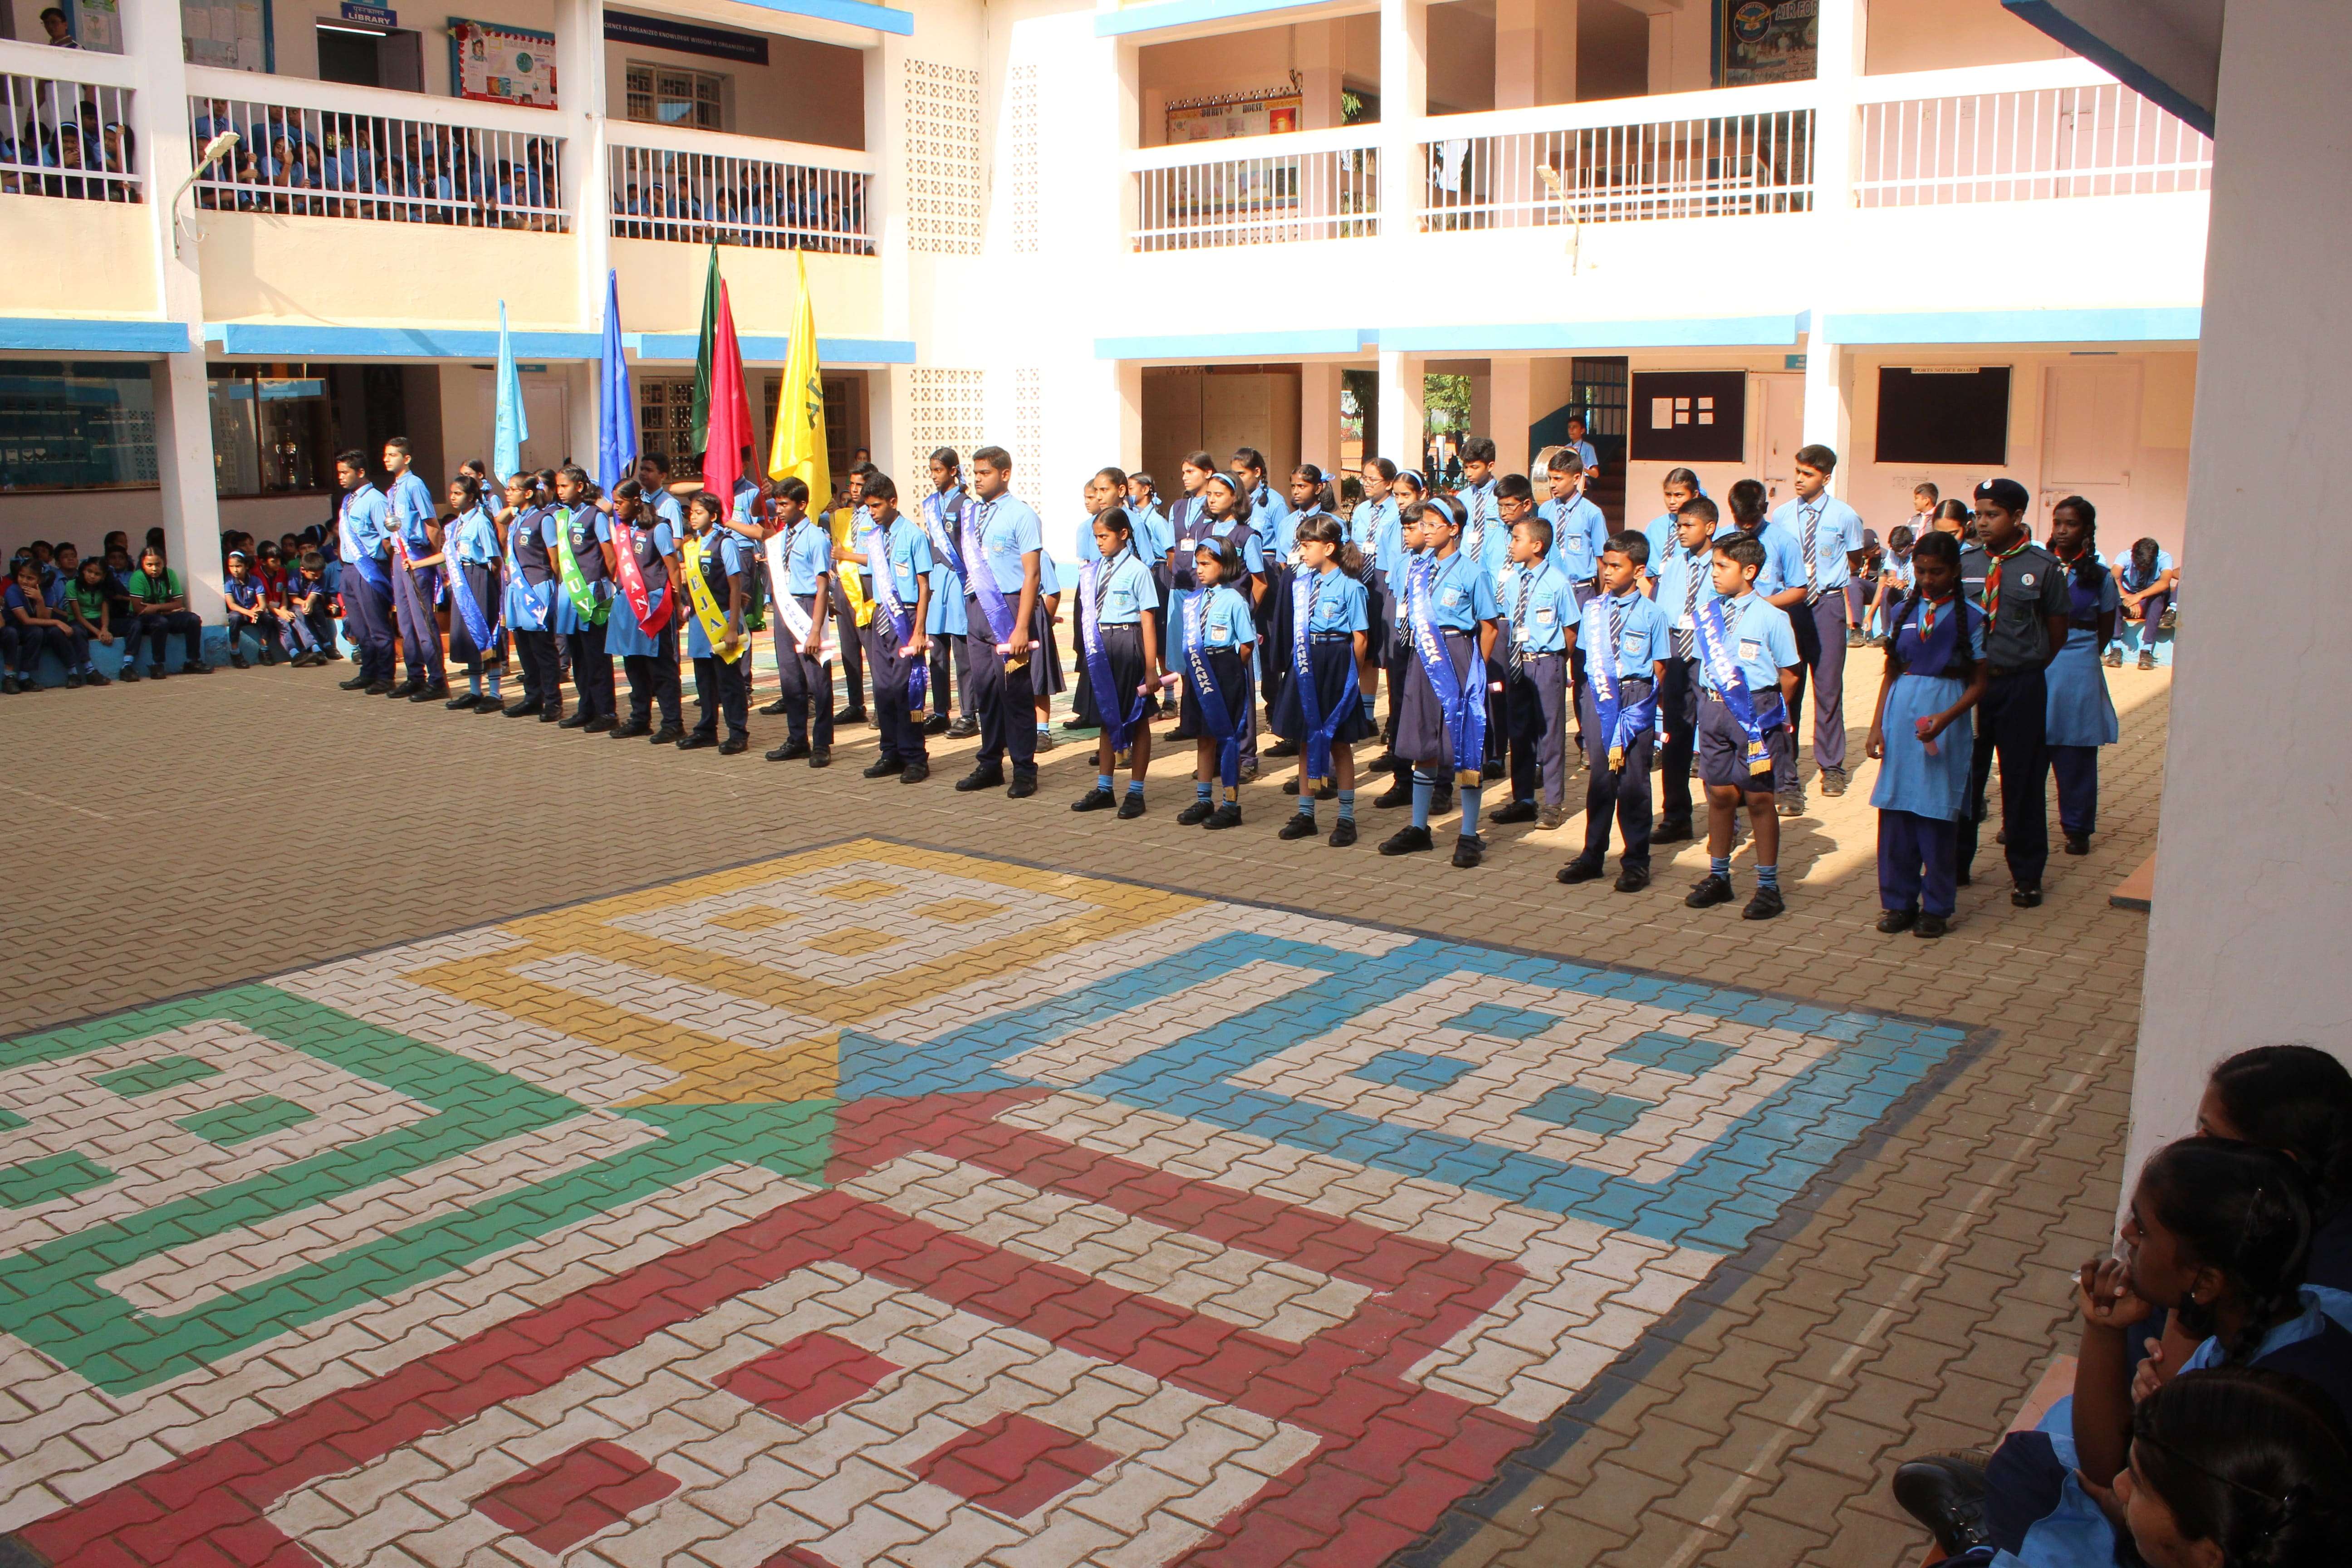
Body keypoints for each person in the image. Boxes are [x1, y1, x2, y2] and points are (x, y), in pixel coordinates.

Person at [1897, 1138, 2352, 1566]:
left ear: (2207, 1282)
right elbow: (2109, 1464)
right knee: (2027, 1464)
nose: (2128, 1233)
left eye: (2144, 1228)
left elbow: (2107, 1470)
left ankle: (1983, 1539)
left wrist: (2114, 1506)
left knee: (2025, 1473)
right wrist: (2104, 1328)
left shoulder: (2258, 1411)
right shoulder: (2250, 1331)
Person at [1955, 477, 2072, 906]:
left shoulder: (2043, 567)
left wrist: (2025, 665)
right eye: (1979, 515)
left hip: (2020, 684)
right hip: (1971, 688)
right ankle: (1956, 862)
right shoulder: (1965, 564)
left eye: (1993, 515)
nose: (1983, 523)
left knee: (2022, 780)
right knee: (1965, 774)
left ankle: (2026, 873)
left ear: (2018, 517)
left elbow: (2056, 632)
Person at [1864, 531, 1987, 938]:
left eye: (1937, 572)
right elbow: (1892, 672)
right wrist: (1877, 725)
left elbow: (1980, 683)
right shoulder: (1904, 612)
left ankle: (1936, 906)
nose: (1928, 579)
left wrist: (1948, 718)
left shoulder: (1974, 617)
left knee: (1936, 813)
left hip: (1944, 720)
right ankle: (1898, 902)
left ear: (1955, 571)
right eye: (1921, 571)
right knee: (1897, 812)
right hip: (1903, 717)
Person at [1685, 533, 1800, 920]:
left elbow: (1789, 674)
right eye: (1714, 565)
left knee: (1759, 798)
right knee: (1718, 794)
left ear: (1749, 571)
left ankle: (1768, 886)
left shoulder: (1772, 617)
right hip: (1714, 711)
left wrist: (1769, 715)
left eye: (1723, 566)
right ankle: (1720, 876)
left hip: (1756, 714)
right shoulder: (1708, 612)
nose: (1714, 574)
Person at [1382, 496, 1500, 867]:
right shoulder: (1417, 568)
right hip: (1423, 658)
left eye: (1434, 524)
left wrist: (1476, 670)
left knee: (1463, 745)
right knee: (1423, 741)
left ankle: (1468, 834)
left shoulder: (1472, 572)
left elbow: (1489, 626)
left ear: (1454, 529)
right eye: (1424, 524)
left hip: (1459, 656)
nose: (1426, 530)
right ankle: (1419, 828)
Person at [1557, 534, 1673, 890]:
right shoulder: (1593, 609)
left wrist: (1642, 705)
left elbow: (1660, 666)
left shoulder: (1654, 614)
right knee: (1601, 779)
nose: (1607, 572)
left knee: (1633, 781)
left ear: (1638, 570)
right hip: (1599, 696)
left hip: (1634, 696)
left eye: (1616, 566)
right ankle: (1593, 855)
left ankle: (1636, 860)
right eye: (1605, 564)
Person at [1768, 444, 1868, 801]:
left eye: (1807, 474)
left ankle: (1832, 767)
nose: (1798, 479)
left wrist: (1826, 581)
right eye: (1797, 471)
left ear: (1825, 478)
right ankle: (1786, 763)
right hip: (1791, 608)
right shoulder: (1781, 516)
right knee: (1788, 683)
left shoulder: (1845, 516)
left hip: (1826, 606)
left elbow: (1854, 559)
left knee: (1828, 687)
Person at [1268, 513, 1375, 845]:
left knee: (1339, 742)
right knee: (1305, 738)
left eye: (1307, 545)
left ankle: (1346, 817)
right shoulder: (1303, 585)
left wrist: (1352, 676)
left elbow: (1361, 637)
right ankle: (1306, 813)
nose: (1302, 552)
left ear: (1329, 547)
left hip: (1336, 661)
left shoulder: (1351, 587)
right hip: (1305, 661)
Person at [955, 446, 1050, 798]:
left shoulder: (1021, 515)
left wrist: (1022, 626)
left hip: (1009, 609)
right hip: (977, 607)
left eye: (985, 473)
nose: (977, 479)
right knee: (987, 692)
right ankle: (990, 763)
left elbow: (1032, 574)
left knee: (1015, 692)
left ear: (1005, 474)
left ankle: (1024, 768)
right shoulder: (972, 515)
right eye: (975, 473)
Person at [1485, 510, 1578, 833]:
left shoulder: (1557, 583)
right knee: (1519, 732)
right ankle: (1524, 799)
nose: (1511, 545)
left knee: (1549, 734)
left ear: (1537, 545)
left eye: (1517, 539)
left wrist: (1554, 660)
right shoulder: (1514, 581)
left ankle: (1553, 803)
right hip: (1517, 662)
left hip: (1545, 662)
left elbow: (1570, 630)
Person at [1069, 506, 1161, 818]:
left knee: (1136, 718)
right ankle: (1105, 788)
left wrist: (1151, 668)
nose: (1100, 543)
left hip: (1127, 641)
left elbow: (1148, 621)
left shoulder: (1138, 571)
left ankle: (1136, 792)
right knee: (1107, 714)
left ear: (1123, 534)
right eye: (1096, 537)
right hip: (1101, 644)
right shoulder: (1095, 570)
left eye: (1105, 536)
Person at [2045, 495, 2120, 856]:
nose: (2061, 530)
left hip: (2077, 667)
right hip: (2037, 664)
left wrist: (2080, 654)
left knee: (2075, 751)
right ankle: (2018, 823)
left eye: (2070, 524)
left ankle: (2077, 828)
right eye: (2057, 522)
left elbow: (2105, 629)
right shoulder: (2039, 566)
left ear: (2087, 530)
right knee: (2029, 749)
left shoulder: (2100, 578)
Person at [1652, 496, 1727, 844]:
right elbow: (1662, 614)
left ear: (1709, 528)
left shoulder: (1723, 564)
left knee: (1713, 739)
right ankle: (1676, 816)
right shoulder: (1675, 565)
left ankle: (1724, 822)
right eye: (1678, 526)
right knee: (1676, 737)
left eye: (1688, 526)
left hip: (1709, 659)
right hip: (1677, 657)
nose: (1680, 532)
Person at [851, 473, 933, 783]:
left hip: (907, 617)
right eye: (867, 507)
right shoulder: (874, 537)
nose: (871, 512)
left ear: (893, 502)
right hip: (882, 617)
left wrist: (920, 630)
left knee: (907, 690)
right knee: (884, 690)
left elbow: (924, 587)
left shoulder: (913, 536)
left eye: (876, 506)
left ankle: (915, 756)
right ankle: (890, 752)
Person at [1174, 533, 1255, 830]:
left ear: (1225, 565)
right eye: (1198, 564)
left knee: (1227, 736)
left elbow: (1247, 644)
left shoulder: (1235, 600)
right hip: (1199, 668)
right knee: (1203, 736)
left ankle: (1231, 804)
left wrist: (1233, 669)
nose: (1200, 569)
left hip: (1225, 669)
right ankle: (1204, 798)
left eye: (1207, 564)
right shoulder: (1194, 600)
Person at [603, 477, 683, 744]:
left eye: (620, 502)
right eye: (615, 502)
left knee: (661, 667)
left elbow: (673, 568)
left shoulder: (658, 528)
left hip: (654, 605)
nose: (616, 507)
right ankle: (640, 719)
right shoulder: (623, 529)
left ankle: (673, 723)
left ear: (637, 501)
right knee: (633, 664)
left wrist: (678, 603)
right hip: (629, 605)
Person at [762, 475, 835, 767]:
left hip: (806, 608)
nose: (779, 510)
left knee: (817, 679)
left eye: (784, 505)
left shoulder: (816, 537)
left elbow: (822, 586)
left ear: (802, 505)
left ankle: (822, 743)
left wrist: (815, 630)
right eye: (777, 504)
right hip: (784, 607)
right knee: (790, 678)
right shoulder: (781, 538)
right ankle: (796, 738)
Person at [677, 489, 753, 754]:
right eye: (691, 513)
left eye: (699, 513)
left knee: (728, 679)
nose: (693, 517)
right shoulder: (692, 545)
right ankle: (706, 729)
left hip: (723, 618)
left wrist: (733, 628)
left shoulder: (725, 543)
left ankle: (737, 732)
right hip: (700, 622)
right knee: (704, 679)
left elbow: (735, 586)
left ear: (714, 515)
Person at [547, 465, 617, 734]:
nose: (559, 492)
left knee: (596, 654)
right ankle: (586, 708)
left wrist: (608, 585)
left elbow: (609, 556)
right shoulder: (562, 517)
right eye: (557, 486)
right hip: (570, 593)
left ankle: (607, 711)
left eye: (564, 486)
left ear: (579, 487)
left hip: (591, 592)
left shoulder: (595, 516)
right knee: (577, 654)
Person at [381, 436, 448, 701]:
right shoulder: (393, 488)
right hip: (400, 556)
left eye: (393, 455)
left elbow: (431, 523)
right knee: (406, 621)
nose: (387, 459)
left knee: (423, 621)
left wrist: (432, 557)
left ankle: (437, 679)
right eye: (385, 455)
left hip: (417, 554)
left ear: (406, 458)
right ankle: (415, 676)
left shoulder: (415, 484)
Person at [431, 473, 503, 713]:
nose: (453, 498)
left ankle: (494, 693)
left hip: (479, 576)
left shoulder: (481, 521)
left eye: (458, 493)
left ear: (471, 497)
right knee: (468, 634)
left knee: (485, 631)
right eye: (451, 493)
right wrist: (419, 563)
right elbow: (448, 554)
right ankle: (474, 691)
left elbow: (494, 559)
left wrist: (486, 583)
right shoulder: (454, 525)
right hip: (462, 579)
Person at [917, 449, 975, 739]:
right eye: (932, 470)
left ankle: (969, 713)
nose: (934, 476)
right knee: (937, 651)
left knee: (963, 651)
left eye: (939, 470)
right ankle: (941, 712)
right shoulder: (931, 505)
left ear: (953, 471)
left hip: (959, 578)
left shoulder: (965, 504)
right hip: (937, 579)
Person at [333, 450, 397, 693]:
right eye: (339, 472)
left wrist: (384, 570)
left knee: (377, 625)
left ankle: (385, 676)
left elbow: (388, 540)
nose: (340, 477)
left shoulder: (376, 500)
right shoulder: (348, 500)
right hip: (349, 569)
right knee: (359, 627)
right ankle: (368, 672)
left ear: (360, 472)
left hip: (370, 568)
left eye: (345, 472)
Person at [826, 463, 874, 727]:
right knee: (849, 649)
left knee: (873, 649)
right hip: (844, 586)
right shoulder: (843, 516)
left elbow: (877, 557)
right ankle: (856, 704)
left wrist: (847, 556)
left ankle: (884, 705)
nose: (855, 491)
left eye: (860, 485)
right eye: (852, 485)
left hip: (866, 587)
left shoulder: (875, 516)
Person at [124, 546, 207, 680]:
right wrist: (166, 608)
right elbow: (140, 609)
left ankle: (193, 661)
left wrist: (156, 608)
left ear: (164, 563)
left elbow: (179, 603)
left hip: (163, 614)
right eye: (149, 565)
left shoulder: (170, 575)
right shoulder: (138, 577)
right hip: (143, 619)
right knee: (160, 623)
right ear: (142, 564)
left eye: (158, 564)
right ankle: (157, 664)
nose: (155, 569)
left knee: (193, 619)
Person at [1538, 448, 1611, 591]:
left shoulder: (1592, 513)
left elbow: (1601, 561)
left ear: (1577, 478)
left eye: (1558, 479)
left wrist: (1598, 597)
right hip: (1549, 588)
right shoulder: (1545, 510)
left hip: (1580, 589)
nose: (1552, 484)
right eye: (1550, 478)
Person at [4, 559, 77, 691]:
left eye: (30, 578)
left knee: (38, 632)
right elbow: (25, 620)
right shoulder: (13, 591)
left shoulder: (47, 591)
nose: (24, 581)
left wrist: (40, 600)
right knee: (12, 633)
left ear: (40, 580)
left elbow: (44, 619)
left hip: (31, 629)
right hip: (12, 627)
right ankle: (9, 677)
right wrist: (57, 621)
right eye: (21, 576)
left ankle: (24, 677)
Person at [2112, 536, 2179, 671]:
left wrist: (2139, 596)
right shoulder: (2124, 557)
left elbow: (2165, 582)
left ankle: (2146, 650)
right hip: (2127, 599)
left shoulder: (2164, 558)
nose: (2142, 569)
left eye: (2146, 567)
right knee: (2111, 594)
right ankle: (2116, 648)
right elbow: (2113, 576)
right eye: (2139, 566)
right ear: (2133, 556)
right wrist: (2127, 598)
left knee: (2161, 594)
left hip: (2148, 602)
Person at [1639, 467, 1703, 578]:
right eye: (1668, 495)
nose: (1672, 502)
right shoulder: (1655, 527)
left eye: (1679, 495)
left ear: (1695, 495)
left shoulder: (1703, 527)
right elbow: (1648, 570)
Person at [61, 557, 114, 685]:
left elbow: (105, 611)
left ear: (103, 576)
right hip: (79, 621)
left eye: (97, 574)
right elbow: (78, 616)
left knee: (133, 625)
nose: (92, 576)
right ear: (83, 570)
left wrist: (105, 629)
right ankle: (89, 670)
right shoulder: (72, 585)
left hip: (98, 620)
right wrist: (98, 633)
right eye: (89, 571)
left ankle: (127, 665)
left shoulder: (105, 586)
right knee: (77, 632)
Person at [219, 551, 274, 668]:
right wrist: (248, 612)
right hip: (240, 612)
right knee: (235, 617)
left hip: (253, 612)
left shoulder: (256, 581)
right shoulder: (228, 582)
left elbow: (263, 603)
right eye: (231, 567)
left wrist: (257, 611)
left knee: (268, 618)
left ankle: (264, 650)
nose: (235, 570)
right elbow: (231, 605)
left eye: (238, 566)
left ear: (246, 566)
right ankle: (235, 652)